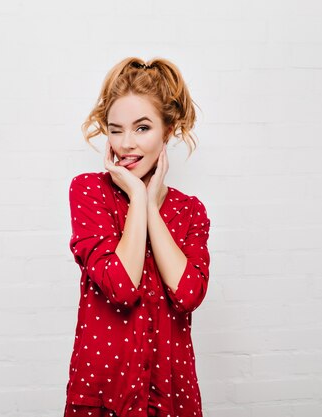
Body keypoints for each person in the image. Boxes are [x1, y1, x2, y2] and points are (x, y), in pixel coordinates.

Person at [63, 57, 212, 417]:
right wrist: (137, 195)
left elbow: (189, 294)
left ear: (168, 129)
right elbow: (122, 287)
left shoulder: (190, 210)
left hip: (171, 396)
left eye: (142, 128)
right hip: (102, 395)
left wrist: (146, 203)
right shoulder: (88, 192)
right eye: (116, 130)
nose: (126, 144)